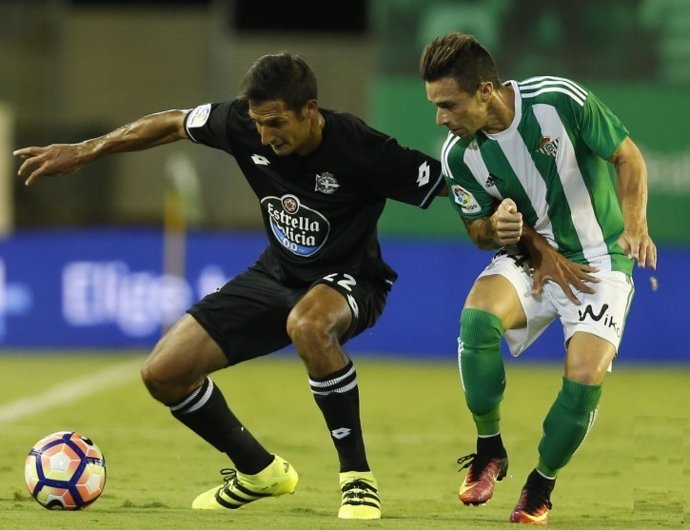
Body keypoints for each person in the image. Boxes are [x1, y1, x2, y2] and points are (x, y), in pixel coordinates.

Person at [15, 50, 590, 521]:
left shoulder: (362, 149)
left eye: (277, 123)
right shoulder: (243, 123)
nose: (264, 136)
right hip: (276, 275)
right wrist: (85, 151)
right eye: (258, 122)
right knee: (162, 373)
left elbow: (461, 182)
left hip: (354, 282)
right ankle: (260, 471)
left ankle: (357, 480)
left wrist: (533, 242)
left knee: (308, 324)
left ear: (310, 110)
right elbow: (169, 122)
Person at [419, 33, 656, 525]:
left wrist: (635, 226)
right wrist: (497, 228)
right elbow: (477, 229)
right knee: (477, 322)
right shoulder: (459, 155)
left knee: (586, 376)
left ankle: (540, 485)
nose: (441, 118)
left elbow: (628, 156)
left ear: (485, 91)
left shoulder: (557, 101)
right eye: (435, 106)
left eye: (449, 105)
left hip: (601, 259)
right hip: (531, 254)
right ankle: (489, 450)